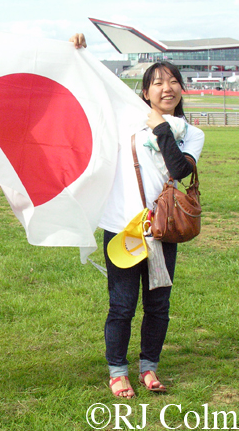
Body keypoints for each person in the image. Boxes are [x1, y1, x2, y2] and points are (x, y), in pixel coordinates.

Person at [70, 34, 204, 398]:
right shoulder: (126, 120)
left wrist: (161, 126)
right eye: (158, 82)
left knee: (158, 304)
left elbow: (178, 171)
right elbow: (98, 90)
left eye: (174, 81)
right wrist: (80, 54)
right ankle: (117, 371)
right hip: (123, 227)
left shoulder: (192, 134)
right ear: (144, 92)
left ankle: (149, 368)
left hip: (163, 230)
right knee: (122, 305)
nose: (167, 87)